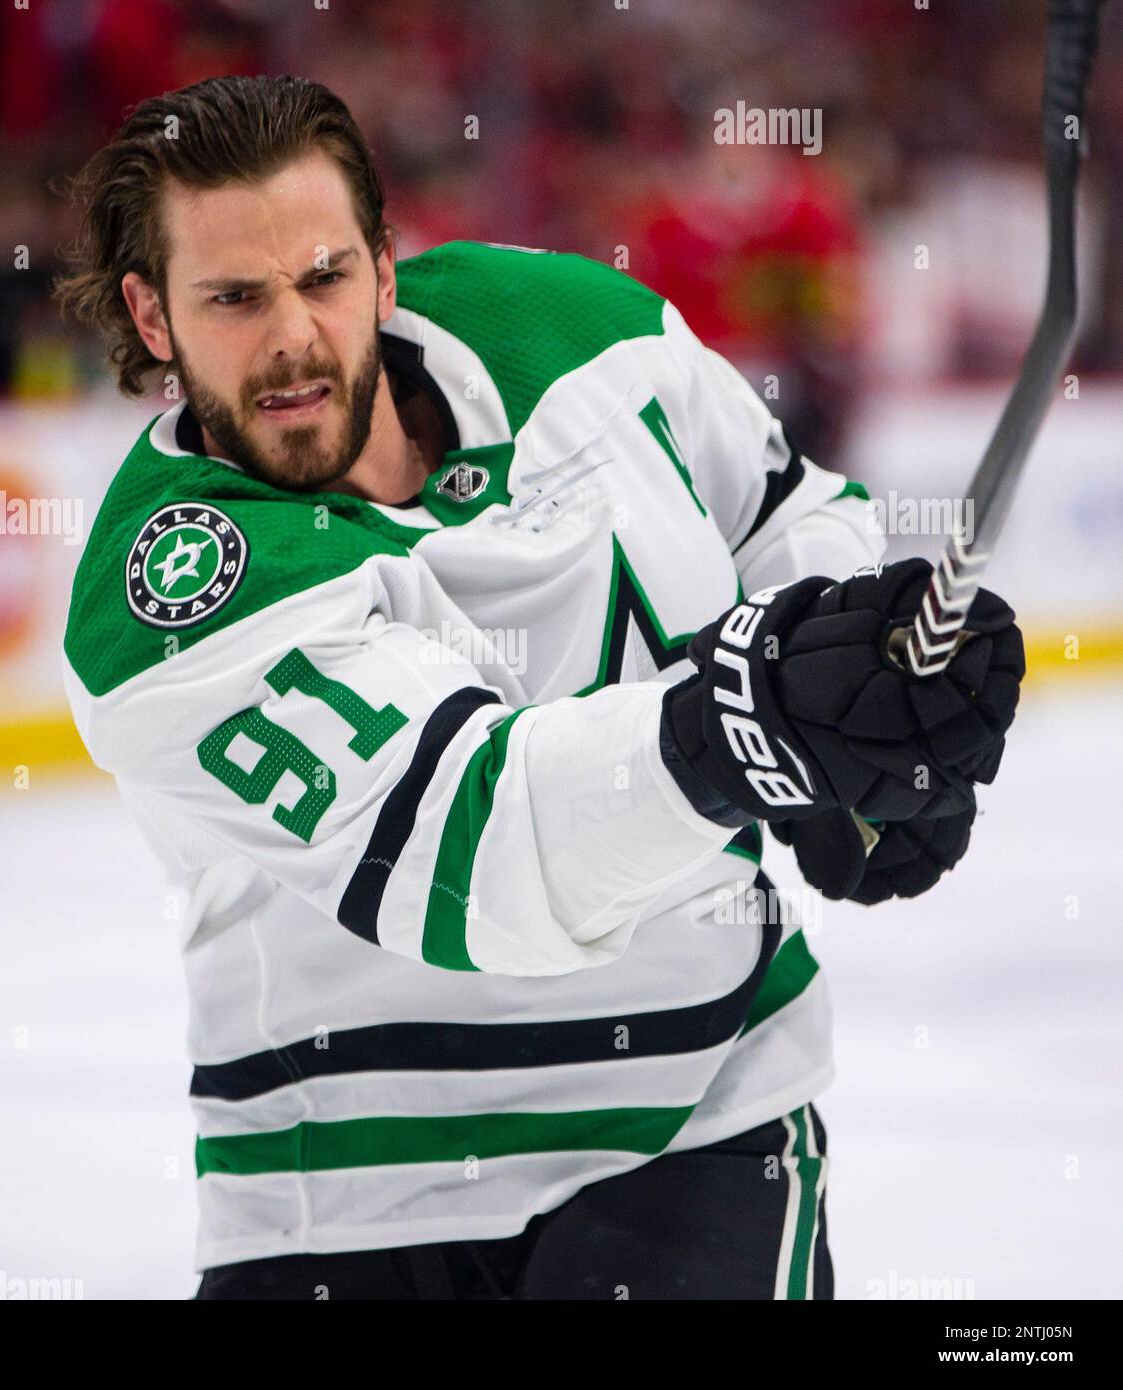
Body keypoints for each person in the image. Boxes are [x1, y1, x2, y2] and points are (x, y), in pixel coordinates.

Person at [55, 75, 1023, 1300]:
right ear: (151, 315)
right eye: (235, 299)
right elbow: (480, 853)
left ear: (385, 266)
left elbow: (782, 513)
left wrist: (857, 682)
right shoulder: (169, 594)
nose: (294, 336)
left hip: (692, 1131)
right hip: (337, 1207)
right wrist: (754, 727)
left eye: (324, 277)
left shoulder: (577, 330)